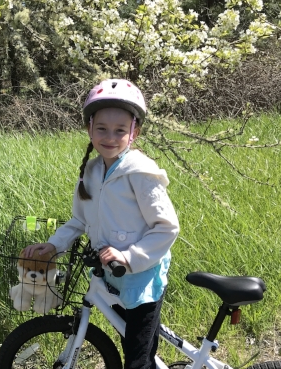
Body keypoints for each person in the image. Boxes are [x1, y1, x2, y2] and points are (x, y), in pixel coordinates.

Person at [24, 78, 180, 369]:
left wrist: (129, 257)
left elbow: (166, 227)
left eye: (120, 130)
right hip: (113, 274)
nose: (110, 137)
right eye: (102, 129)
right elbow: (80, 220)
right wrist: (55, 244)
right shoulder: (92, 171)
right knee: (130, 338)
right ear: (89, 129)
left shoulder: (141, 173)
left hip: (142, 277)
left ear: (135, 132)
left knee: (137, 359)